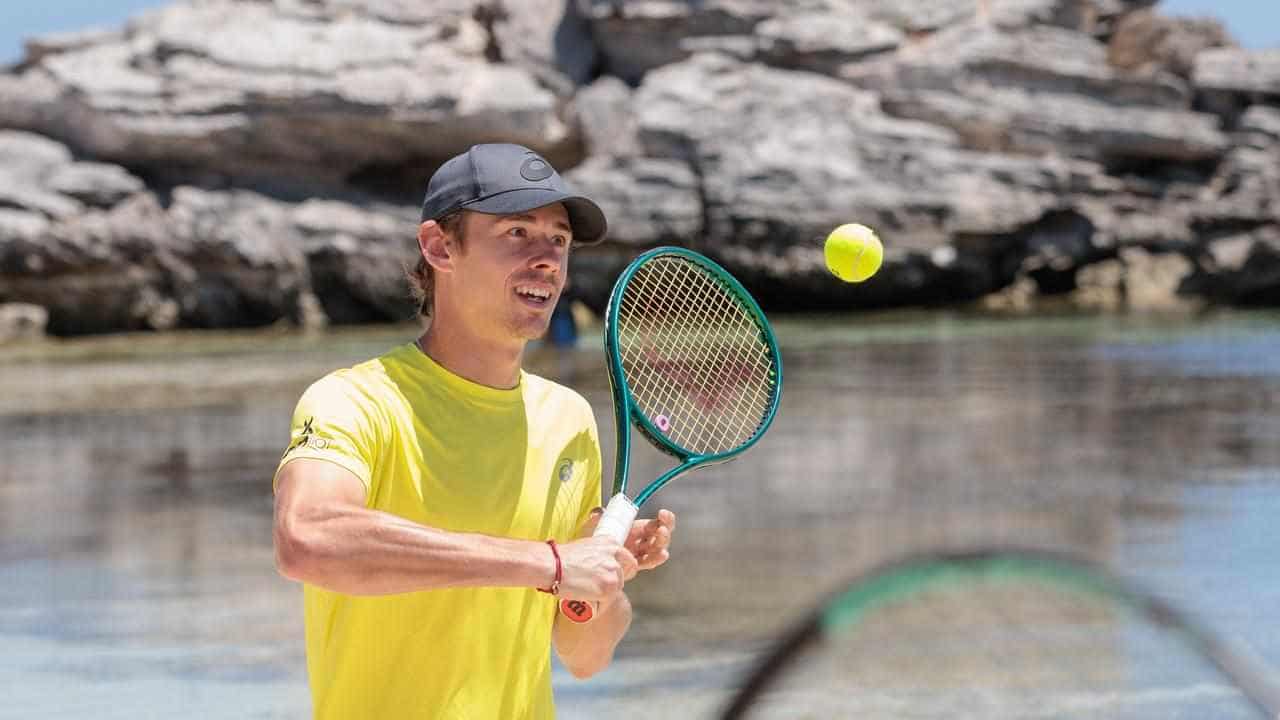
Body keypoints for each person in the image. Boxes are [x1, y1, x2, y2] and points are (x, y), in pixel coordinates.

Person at [272, 143, 677, 719]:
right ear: (440, 247)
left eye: (558, 240)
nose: (547, 259)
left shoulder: (567, 418)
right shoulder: (354, 400)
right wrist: (552, 563)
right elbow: (307, 540)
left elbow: (585, 655)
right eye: (517, 232)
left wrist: (603, 579)